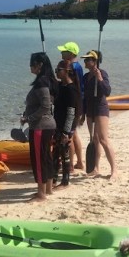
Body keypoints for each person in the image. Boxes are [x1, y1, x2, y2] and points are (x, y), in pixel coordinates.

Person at [21, 52, 57, 201]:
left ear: (40, 65)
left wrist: (29, 118)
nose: (30, 67)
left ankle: (41, 193)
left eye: (32, 64)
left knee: (38, 159)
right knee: (46, 157)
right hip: (47, 126)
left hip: (40, 126)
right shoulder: (49, 80)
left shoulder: (42, 82)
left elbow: (45, 106)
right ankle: (48, 189)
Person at [80, 50, 117, 179]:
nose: (85, 62)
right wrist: (83, 114)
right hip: (90, 110)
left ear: (95, 61)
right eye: (84, 60)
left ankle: (115, 171)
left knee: (103, 139)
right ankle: (95, 168)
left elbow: (107, 91)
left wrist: (99, 78)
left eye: (87, 60)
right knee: (94, 139)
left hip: (100, 108)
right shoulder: (85, 77)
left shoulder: (102, 73)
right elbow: (84, 97)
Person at [52, 59, 82, 188]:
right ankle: (53, 179)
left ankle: (65, 181)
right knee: (55, 153)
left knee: (64, 153)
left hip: (65, 127)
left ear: (67, 72)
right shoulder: (61, 87)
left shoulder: (71, 90)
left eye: (58, 70)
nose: (56, 72)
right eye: (56, 70)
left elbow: (72, 112)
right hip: (58, 125)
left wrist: (67, 132)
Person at [56, 41, 85, 170]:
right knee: (75, 134)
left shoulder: (73, 67)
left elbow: (76, 85)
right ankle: (79, 162)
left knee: (70, 136)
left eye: (64, 51)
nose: (61, 53)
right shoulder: (76, 66)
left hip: (73, 103)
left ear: (71, 53)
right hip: (78, 103)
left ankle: (71, 165)